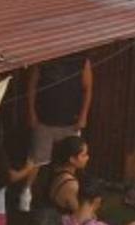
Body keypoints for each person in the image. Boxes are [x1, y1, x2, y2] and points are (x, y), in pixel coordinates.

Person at [23, 55, 94, 211]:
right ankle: (26, 193)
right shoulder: (42, 60)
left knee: (74, 158)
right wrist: (32, 113)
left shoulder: (82, 61)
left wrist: (83, 116)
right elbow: (32, 86)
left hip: (71, 121)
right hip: (44, 119)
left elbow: (87, 89)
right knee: (37, 160)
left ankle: (75, 194)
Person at [45, 136, 90, 214]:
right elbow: (79, 213)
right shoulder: (70, 184)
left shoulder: (56, 169)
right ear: (72, 159)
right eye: (83, 155)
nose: (87, 158)